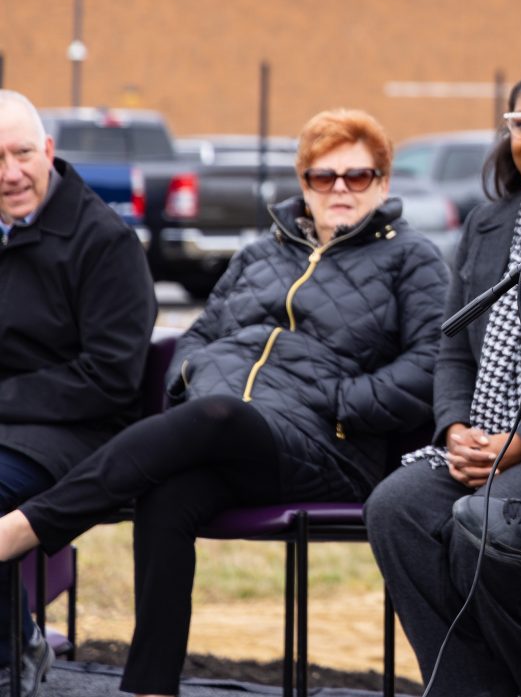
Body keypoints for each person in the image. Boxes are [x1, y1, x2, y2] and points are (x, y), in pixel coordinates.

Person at [0, 107, 446, 697]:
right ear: (304, 183)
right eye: (323, 176)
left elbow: (430, 363)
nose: (340, 188)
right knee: (168, 493)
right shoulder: (262, 253)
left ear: (383, 184)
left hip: (331, 449)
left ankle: (24, 528)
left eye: (358, 176)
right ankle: (150, 689)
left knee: (218, 415)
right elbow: (199, 337)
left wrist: (340, 400)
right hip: (238, 438)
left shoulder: (413, 259)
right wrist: (193, 379)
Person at [366, 59, 521, 697]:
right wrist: (455, 428)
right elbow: (453, 347)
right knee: (395, 508)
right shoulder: (487, 223)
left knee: (482, 524)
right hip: (482, 440)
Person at [0, 89, 156, 696]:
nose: (11, 173)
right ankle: (16, 637)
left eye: (21, 154)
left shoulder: (104, 241)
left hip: (83, 435)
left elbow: (111, 377)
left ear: (48, 150)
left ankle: (13, 647)